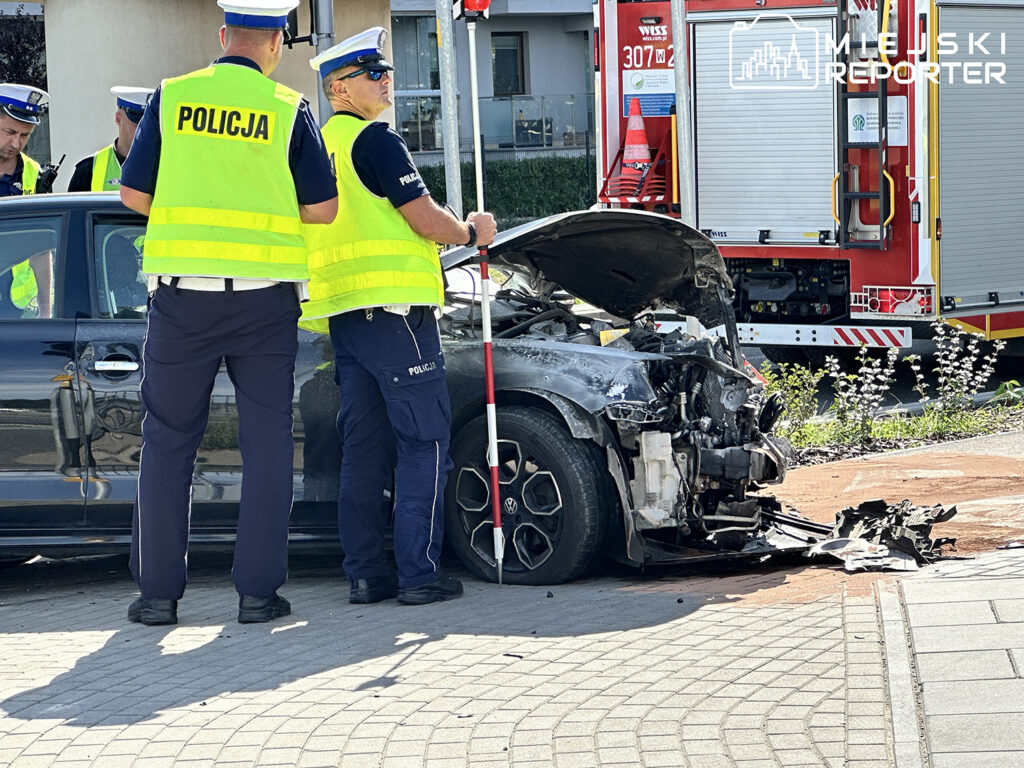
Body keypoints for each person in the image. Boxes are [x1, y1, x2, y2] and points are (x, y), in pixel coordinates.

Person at [119, 0, 338, 626]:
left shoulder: (173, 96)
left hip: (182, 300)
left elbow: (134, 192)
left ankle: (158, 597)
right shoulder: (287, 108)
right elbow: (322, 209)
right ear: (274, 45)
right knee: (266, 443)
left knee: (166, 443)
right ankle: (257, 594)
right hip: (265, 303)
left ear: (223, 36)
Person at [303, 27, 497, 606]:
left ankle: (365, 575)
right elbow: (423, 220)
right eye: (374, 74)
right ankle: (419, 574)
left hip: (345, 317)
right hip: (396, 315)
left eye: (386, 72)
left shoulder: (314, 146)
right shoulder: (376, 142)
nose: (387, 81)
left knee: (363, 449)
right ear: (339, 87)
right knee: (425, 441)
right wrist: (470, 231)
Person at [0, 82, 53, 319]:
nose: (16, 144)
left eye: (24, 135)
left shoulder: (36, 174)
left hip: (17, 304)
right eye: (10, 132)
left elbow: (41, 249)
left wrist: (45, 311)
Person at [68, 86, 154, 192]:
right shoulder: (87, 171)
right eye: (137, 122)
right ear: (118, 119)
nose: (143, 129)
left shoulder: (165, 167)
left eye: (148, 124)